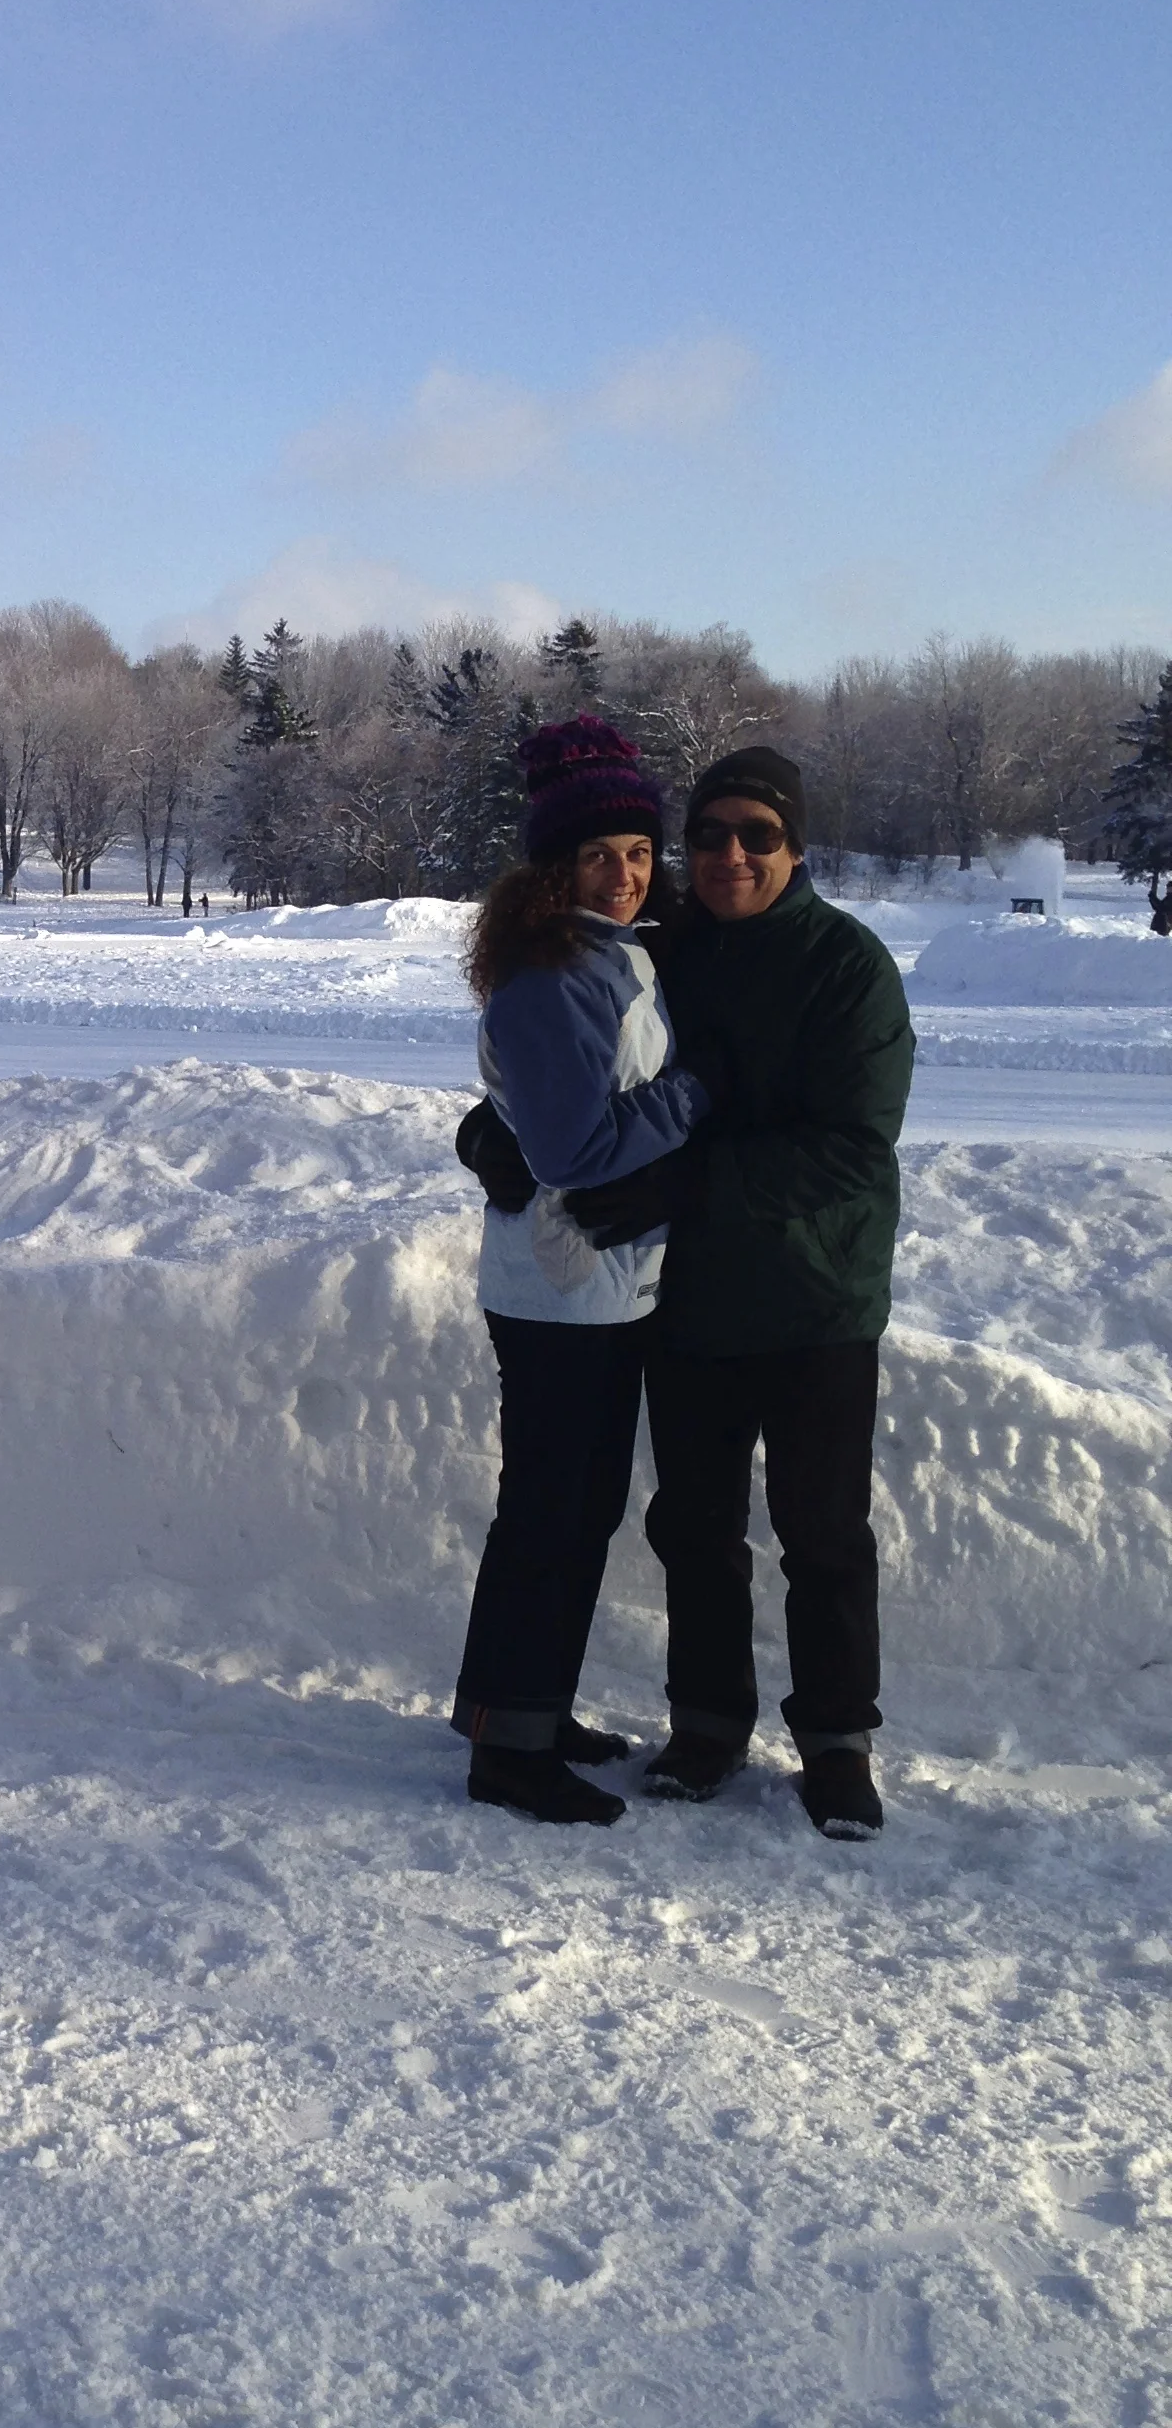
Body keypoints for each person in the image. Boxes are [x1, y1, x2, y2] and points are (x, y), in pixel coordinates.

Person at [463, 745, 914, 1839]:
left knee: (823, 1532)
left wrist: (682, 1173)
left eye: (757, 835)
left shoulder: (846, 967)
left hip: (814, 1296)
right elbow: (561, 1071)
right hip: (688, 1300)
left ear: (797, 848)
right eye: (707, 835)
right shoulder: (663, 946)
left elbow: (855, 1150)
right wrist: (489, 1140)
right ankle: (708, 1726)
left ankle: (838, 1746)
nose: (729, 855)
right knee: (692, 1527)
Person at [450, 718, 710, 1826]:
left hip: (596, 1285)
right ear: (553, 867)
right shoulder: (556, 974)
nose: (624, 874)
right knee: (553, 1512)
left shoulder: (610, 954)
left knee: (574, 1508)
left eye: (640, 853)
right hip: (560, 1293)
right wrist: (701, 1095)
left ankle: (523, 1709)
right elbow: (575, 1151)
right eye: (598, 856)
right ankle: (511, 1749)